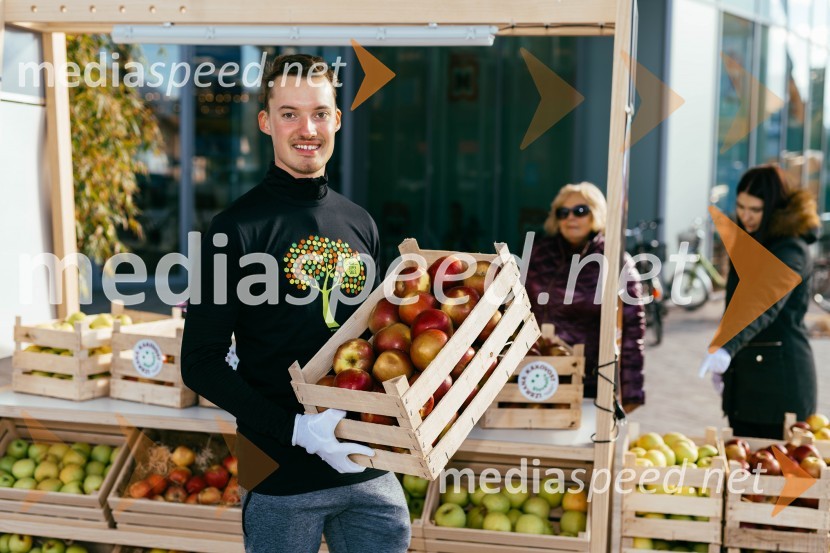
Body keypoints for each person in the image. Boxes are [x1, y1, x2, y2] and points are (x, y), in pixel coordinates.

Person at [181, 54, 410, 553]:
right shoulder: (234, 230)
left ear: (338, 120)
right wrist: (299, 430)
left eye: (320, 113)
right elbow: (199, 364)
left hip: (364, 465)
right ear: (266, 122)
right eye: (289, 113)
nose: (307, 128)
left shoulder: (361, 224)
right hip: (279, 474)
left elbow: (374, 341)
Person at [698, 165, 819, 439]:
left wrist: (727, 347)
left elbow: (764, 297)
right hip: (746, 384)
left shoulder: (791, 249)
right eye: (741, 207)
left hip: (781, 384)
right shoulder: (748, 242)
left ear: (774, 208)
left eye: (755, 209)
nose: (746, 216)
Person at [525, 182, 646, 411]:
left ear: (596, 213)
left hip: (590, 382)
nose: (571, 217)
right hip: (536, 375)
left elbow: (632, 327)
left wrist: (631, 391)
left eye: (580, 211)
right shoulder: (538, 254)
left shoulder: (615, 260)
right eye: (564, 212)